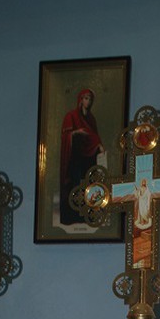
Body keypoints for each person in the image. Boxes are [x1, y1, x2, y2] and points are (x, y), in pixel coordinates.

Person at [59, 88, 105, 225]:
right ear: (80, 100)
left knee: (88, 184)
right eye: (86, 98)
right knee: (76, 184)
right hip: (75, 157)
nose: (88, 102)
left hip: (89, 157)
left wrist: (99, 145)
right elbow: (65, 136)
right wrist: (76, 133)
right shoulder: (71, 116)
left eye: (90, 99)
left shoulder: (91, 119)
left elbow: (94, 136)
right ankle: (72, 215)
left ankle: (87, 215)